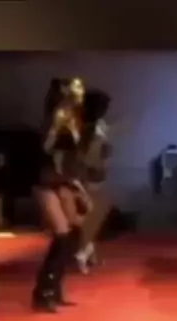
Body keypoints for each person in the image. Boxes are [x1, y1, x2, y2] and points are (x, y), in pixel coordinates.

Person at [31, 77, 92, 312]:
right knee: (62, 235)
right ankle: (43, 291)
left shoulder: (75, 119)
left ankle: (54, 288)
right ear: (65, 91)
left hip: (64, 180)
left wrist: (77, 184)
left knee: (74, 233)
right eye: (77, 86)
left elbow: (71, 158)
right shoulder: (57, 117)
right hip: (48, 180)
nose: (81, 90)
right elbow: (46, 150)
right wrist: (56, 128)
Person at [75, 89, 113, 274]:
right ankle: (83, 251)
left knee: (95, 213)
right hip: (89, 173)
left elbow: (105, 149)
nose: (106, 110)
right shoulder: (86, 127)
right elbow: (86, 154)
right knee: (91, 214)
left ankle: (89, 251)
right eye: (104, 107)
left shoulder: (99, 125)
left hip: (96, 172)